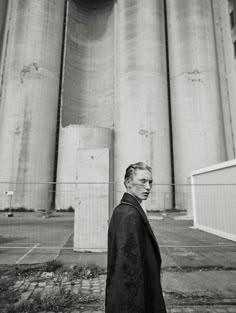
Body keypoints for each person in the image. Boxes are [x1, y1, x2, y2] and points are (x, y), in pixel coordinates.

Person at [105, 162, 167, 313]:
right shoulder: (129, 214)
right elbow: (128, 271)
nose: (148, 187)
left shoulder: (127, 209)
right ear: (128, 182)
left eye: (150, 182)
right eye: (143, 181)